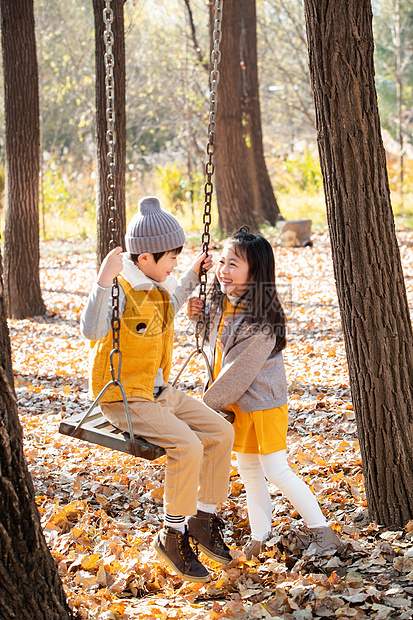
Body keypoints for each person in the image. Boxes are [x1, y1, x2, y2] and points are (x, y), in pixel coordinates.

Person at [80, 196, 235, 583]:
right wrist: (102, 279)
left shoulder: (156, 286)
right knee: (187, 447)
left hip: (158, 392)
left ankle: (200, 518)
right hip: (123, 397)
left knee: (220, 431)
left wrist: (190, 275)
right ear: (145, 257)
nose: (175, 263)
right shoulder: (120, 288)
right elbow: (91, 330)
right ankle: (171, 533)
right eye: (171, 258)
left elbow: (173, 303)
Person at [187, 227, 344, 560]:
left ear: (255, 274)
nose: (223, 270)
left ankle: (323, 532)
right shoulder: (223, 303)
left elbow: (237, 374)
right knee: (249, 472)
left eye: (233, 265)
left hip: (261, 405)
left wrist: (202, 408)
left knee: (275, 469)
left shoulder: (262, 323)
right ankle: (260, 537)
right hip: (235, 406)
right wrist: (198, 319)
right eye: (222, 262)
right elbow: (213, 350)